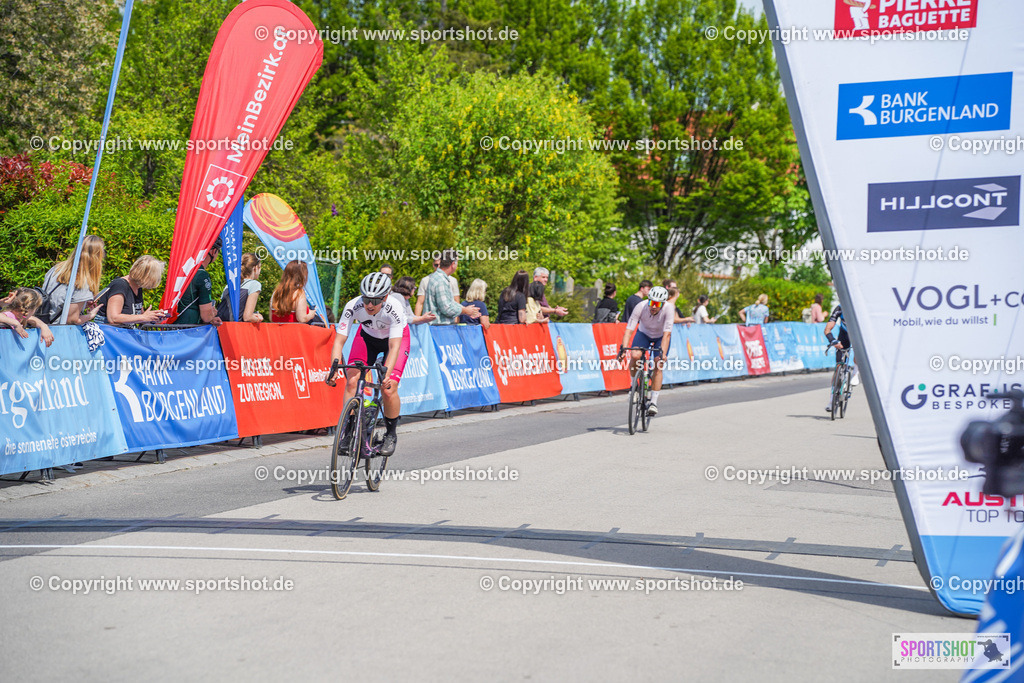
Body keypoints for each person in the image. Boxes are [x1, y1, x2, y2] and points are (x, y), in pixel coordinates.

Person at [330, 272, 409, 456]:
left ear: (386, 297)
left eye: (375, 300)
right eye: (366, 299)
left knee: (389, 388)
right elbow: (339, 341)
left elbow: (394, 346)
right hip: (367, 338)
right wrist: (333, 366)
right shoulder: (353, 306)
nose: (370, 305)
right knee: (351, 380)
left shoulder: (395, 307)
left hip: (395, 339)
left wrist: (386, 374)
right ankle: (348, 432)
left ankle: (390, 434)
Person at [617, 286, 673, 416]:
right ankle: (634, 387)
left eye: (657, 304)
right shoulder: (640, 306)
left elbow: (667, 335)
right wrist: (623, 348)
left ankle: (653, 402)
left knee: (658, 363)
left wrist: (662, 354)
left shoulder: (669, 309)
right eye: (651, 302)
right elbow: (629, 330)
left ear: (663, 304)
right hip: (643, 334)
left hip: (660, 337)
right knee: (635, 355)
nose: (653, 306)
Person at [39, 235, 105, 325]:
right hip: (59, 332)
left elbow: (56, 301)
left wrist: (82, 304)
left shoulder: (56, 269)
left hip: (42, 324)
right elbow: (71, 320)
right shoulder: (82, 282)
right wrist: (90, 315)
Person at [94, 255, 167, 326]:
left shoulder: (138, 287)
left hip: (124, 332)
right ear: (146, 276)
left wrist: (152, 318)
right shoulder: (120, 285)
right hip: (109, 333)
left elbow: (138, 318)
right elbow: (113, 318)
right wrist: (143, 317)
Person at [423, 250, 479, 325]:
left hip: (437, 328)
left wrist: (466, 309)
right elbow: (446, 308)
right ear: (453, 264)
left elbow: (450, 303)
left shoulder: (440, 278)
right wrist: (465, 311)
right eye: (457, 263)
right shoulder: (440, 280)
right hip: (438, 328)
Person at [176, 238, 222, 326]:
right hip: (188, 330)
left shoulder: (183, 269)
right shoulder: (202, 275)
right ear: (213, 251)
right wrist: (212, 313)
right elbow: (206, 317)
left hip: (172, 325)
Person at [823, 303, 860, 411]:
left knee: (858, 351)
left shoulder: (858, 307)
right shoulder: (839, 308)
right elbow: (827, 330)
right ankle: (831, 400)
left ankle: (855, 373)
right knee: (838, 365)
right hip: (844, 335)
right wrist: (833, 341)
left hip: (858, 334)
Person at [218, 253, 263, 322]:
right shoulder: (254, 285)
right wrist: (258, 318)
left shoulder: (229, 285)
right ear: (255, 268)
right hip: (237, 328)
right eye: (259, 268)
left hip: (222, 327)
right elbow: (247, 317)